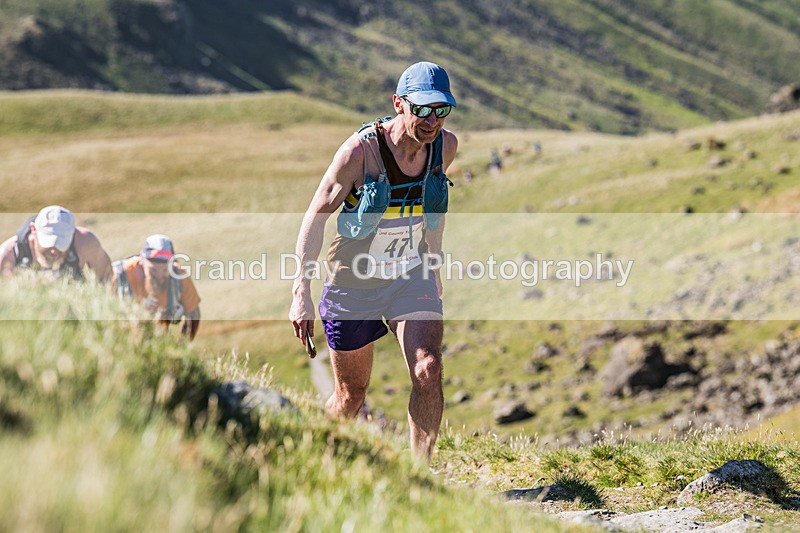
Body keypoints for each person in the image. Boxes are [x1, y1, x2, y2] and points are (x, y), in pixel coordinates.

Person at [289, 61, 458, 459]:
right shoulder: (359, 153)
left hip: (409, 277)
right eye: (423, 109)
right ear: (399, 103)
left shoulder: (445, 147)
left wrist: (433, 264)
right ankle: (317, 458)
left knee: (428, 370)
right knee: (351, 396)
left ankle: (422, 477)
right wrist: (301, 291)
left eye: (442, 110)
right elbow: (315, 218)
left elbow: (433, 210)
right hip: (353, 283)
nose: (432, 120)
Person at [113, 234, 201, 340]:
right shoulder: (121, 276)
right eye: (153, 271)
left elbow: (194, 314)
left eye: (165, 271)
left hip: (158, 342)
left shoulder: (179, 277)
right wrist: (139, 310)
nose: (159, 276)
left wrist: (181, 348)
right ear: (141, 261)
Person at [0, 205, 112, 282]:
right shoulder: (7, 256)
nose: (54, 250)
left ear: (73, 234)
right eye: (48, 242)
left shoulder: (86, 244)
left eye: (61, 243)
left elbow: (108, 281)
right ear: (33, 229)